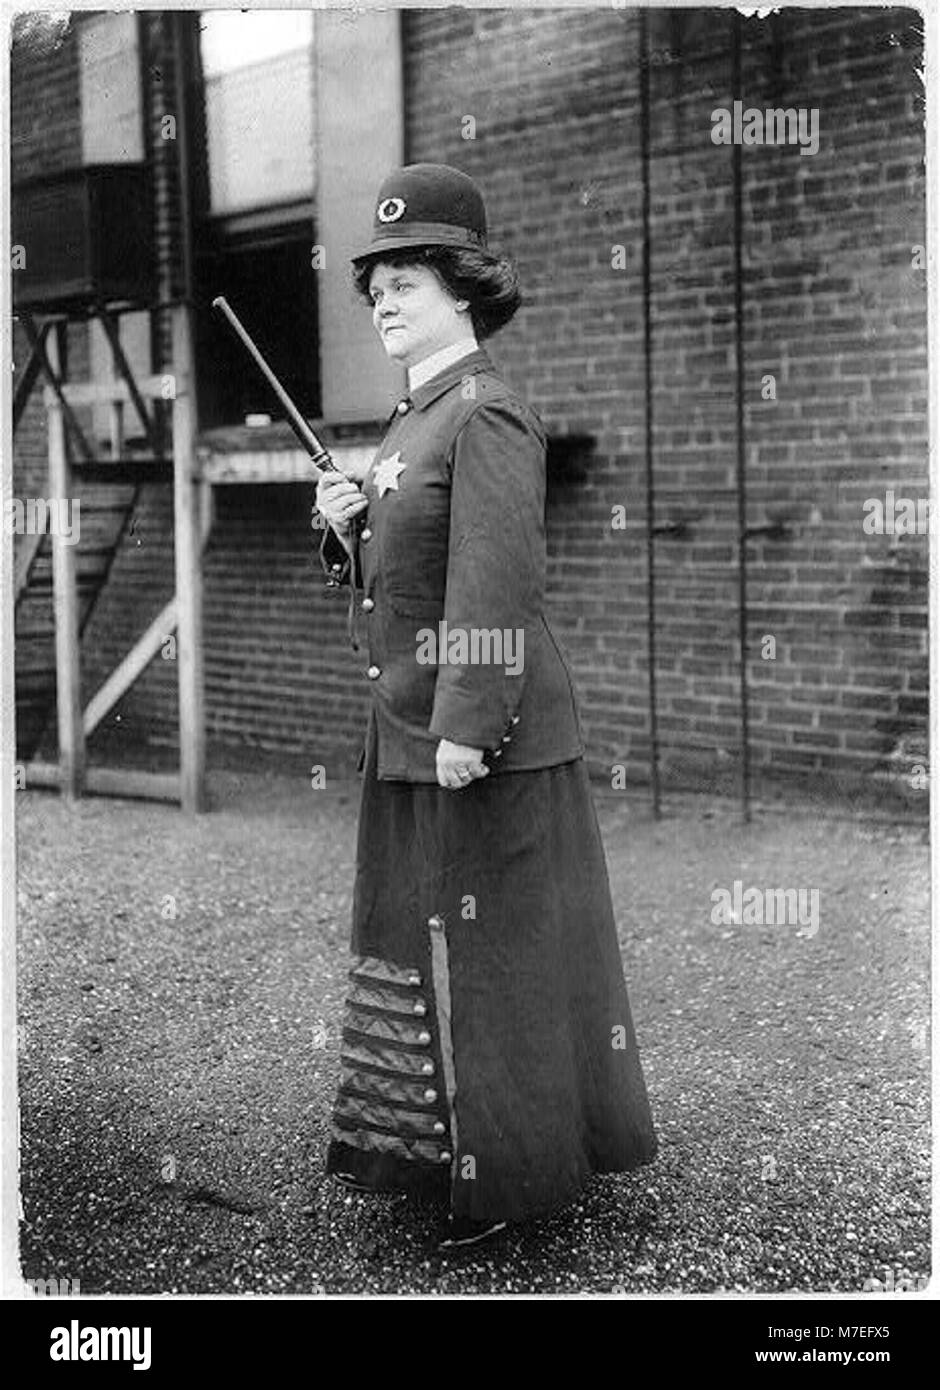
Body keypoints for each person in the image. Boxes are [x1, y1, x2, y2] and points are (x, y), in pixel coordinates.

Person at [316, 163, 656, 1249]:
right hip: (411, 729)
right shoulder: (410, 422)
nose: (381, 299)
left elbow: (496, 583)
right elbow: (404, 568)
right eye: (373, 284)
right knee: (422, 945)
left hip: (478, 738)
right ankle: (438, 1156)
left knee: (493, 960)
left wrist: (469, 722)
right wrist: (343, 524)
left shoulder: (487, 410)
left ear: (463, 288)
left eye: (404, 280)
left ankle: (509, 1187)